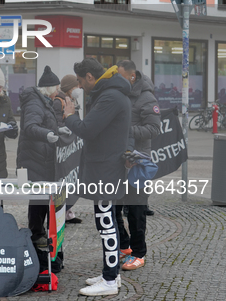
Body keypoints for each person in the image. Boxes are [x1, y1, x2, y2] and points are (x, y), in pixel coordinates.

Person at [63, 58, 131, 296]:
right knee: (107, 221)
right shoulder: (110, 93)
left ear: (90, 77)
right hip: (106, 167)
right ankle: (110, 273)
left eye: (81, 81)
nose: (80, 86)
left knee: (106, 223)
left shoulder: (109, 96)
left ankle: (110, 281)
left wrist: (70, 115)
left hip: (105, 169)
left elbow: (87, 130)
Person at [115, 59, 161, 271]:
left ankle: (139, 253)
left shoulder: (147, 97)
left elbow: (153, 129)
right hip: (120, 160)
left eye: (121, 76)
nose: (118, 80)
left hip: (139, 163)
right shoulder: (122, 94)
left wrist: (127, 131)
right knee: (115, 207)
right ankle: (125, 246)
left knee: (136, 210)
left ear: (132, 76)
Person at [17, 66, 70, 246]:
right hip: (34, 158)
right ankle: (36, 233)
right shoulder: (34, 102)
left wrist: (57, 130)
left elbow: (43, 123)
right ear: (48, 88)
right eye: (56, 88)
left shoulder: (43, 100)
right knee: (38, 198)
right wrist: (47, 135)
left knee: (43, 197)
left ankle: (41, 232)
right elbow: (31, 126)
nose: (57, 92)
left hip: (42, 157)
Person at [58, 74, 83, 224]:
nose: (79, 89)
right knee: (66, 179)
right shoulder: (60, 102)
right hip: (65, 147)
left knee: (74, 179)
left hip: (74, 146)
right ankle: (62, 213)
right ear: (69, 89)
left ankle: (68, 211)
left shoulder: (73, 100)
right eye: (76, 86)